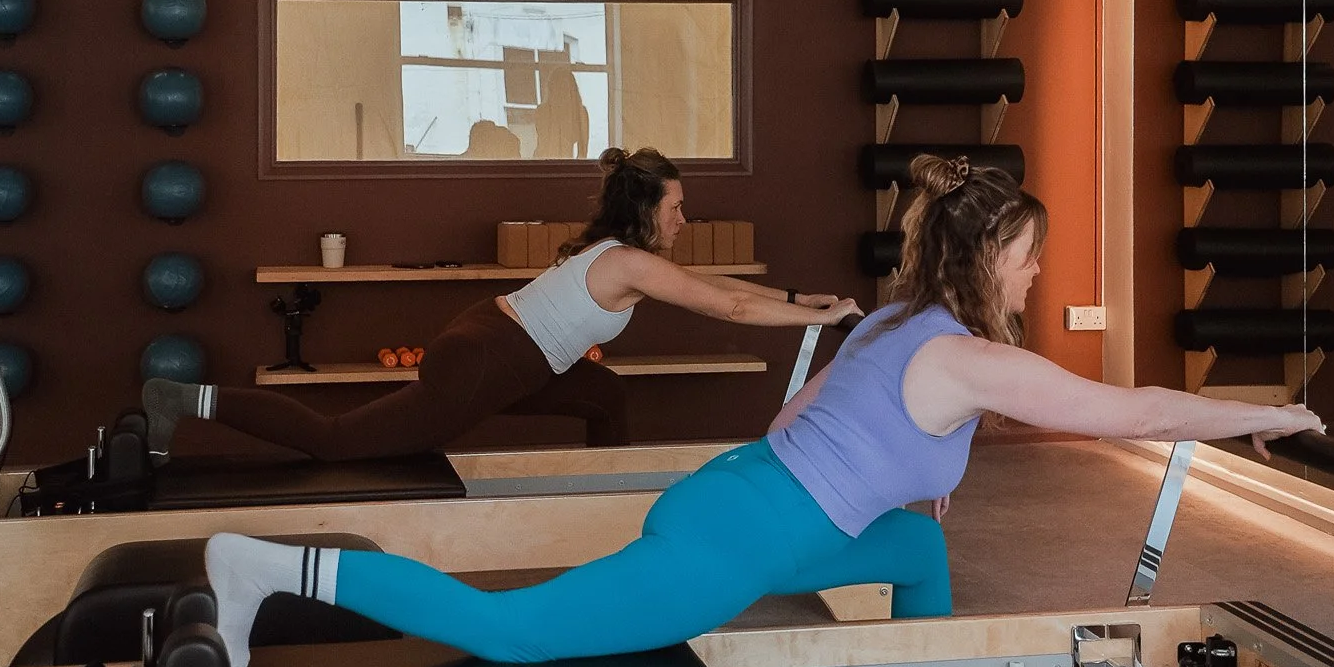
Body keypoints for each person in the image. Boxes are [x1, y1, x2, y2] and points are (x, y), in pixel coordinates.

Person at [201, 153, 1324, 667]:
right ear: (993, 256)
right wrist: (1260, 411)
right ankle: (267, 567)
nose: (1037, 276)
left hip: (750, 496)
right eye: (1032, 258)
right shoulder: (967, 356)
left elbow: (857, 445)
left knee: (918, 541)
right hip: (733, 538)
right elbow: (1124, 409)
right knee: (514, 634)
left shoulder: (892, 321)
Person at [144, 146, 857, 463]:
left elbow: (727, 288)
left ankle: (607, 515)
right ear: (648, 208)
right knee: (336, 441)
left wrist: (800, 299)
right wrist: (817, 319)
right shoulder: (630, 261)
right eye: (677, 207)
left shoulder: (623, 254)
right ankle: (186, 400)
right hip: (487, 360)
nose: (683, 220)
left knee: (604, 395)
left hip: (505, 350)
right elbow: (727, 310)